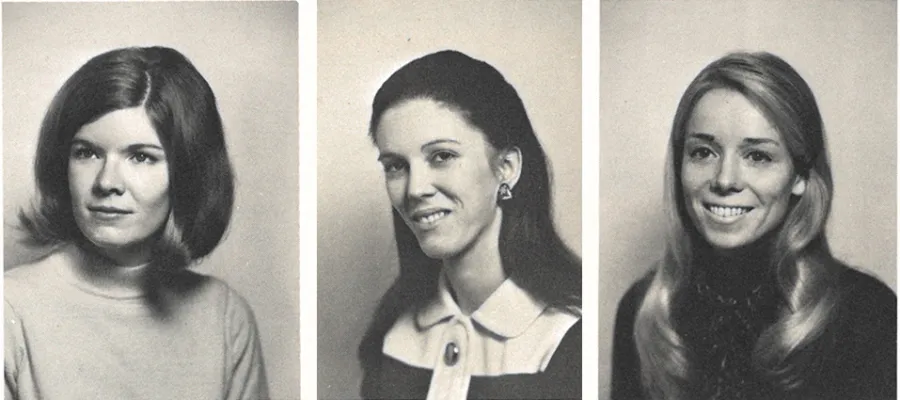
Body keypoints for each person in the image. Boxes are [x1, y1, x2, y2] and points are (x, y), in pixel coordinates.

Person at [610, 51, 897, 400]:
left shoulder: (867, 315)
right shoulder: (645, 312)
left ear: (800, 176)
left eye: (757, 156)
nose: (725, 180)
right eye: (703, 152)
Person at [4, 46, 269, 400]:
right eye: (87, 153)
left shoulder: (224, 316)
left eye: (141, 157)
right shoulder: (10, 306)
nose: (106, 182)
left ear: (188, 173)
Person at [357, 50, 582, 399]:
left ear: (506, 167)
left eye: (442, 156)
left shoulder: (568, 336)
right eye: (396, 166)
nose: (415, 189)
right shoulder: (394, 333)